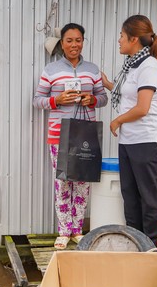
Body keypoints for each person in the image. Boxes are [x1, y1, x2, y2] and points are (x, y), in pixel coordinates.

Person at [33, 23, 108, 249]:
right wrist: (57, 100)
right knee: (63, 182)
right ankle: (63, 231)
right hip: (59, 135)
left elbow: (103, 97)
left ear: (83, 42)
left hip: (86, 134)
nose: (74, 44)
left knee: (83, 182)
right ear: (62, 44)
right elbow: (37, 100)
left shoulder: (93, 70)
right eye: (69, 40)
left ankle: (77, 230)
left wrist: (92, 99)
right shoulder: (51, 70)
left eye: (78, 40)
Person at [102, 15, 157, 244]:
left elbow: (142, 108)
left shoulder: (149, 65)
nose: (119, 40)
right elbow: (128, 96)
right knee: (130, 195)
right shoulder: (133, 65)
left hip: (147, 140)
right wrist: (108, 84)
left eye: (122, 36)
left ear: (133, 38)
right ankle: (135, 240)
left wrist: (117, 121)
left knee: (147, 195)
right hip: (129, 141)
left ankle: (149, 244)